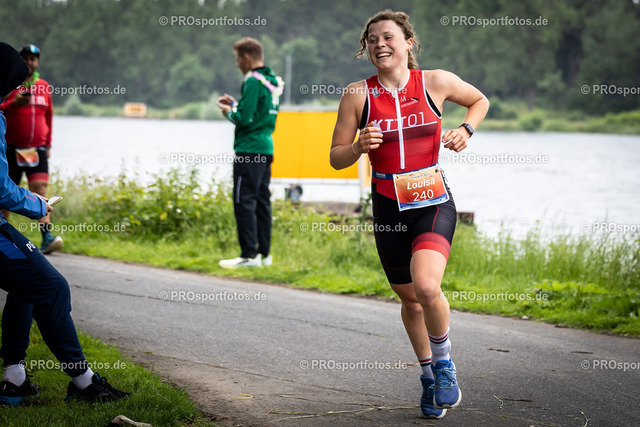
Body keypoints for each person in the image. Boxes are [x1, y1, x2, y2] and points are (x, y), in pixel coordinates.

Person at [330, 11, 489, 419]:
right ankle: (428, 376)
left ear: (408, 43)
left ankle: (445, 364)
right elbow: (336, 157)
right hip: (387, 206)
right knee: (411, 302)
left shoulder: (435, 82)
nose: (379, 44)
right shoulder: (357, 95)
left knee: (428, 288)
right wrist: (358, 146)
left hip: (432, 200)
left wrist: (465, 130)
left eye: (388, 37)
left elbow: (479, 100)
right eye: (371, 39)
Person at [0, 42, 129, 406]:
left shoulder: (39, 91)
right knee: (52, 287)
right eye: (13, 80)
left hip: (34, 153)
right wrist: (35, 204)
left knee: (28, 285)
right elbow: (1, 188)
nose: (16, 86)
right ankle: (84, 382)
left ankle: (14, 379)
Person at [217, 37, 283, 269]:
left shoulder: (252, 80)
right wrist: (237, 104)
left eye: (237, 59)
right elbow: (257, 113)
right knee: (262, 202)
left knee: (243, 200)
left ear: (246, 58)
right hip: (265, 148)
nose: (237, 64)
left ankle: (248, 255)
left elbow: (244, 119)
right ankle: (264, 255)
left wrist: (228, 112)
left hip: (248, 150)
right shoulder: (271, 81)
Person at [0, 44, 63, 254]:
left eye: (33, 59)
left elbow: (49, 117)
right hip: (12, 148)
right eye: (25, 58)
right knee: (5, 194)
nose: (29, 62)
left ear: (38, 62)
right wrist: (14, 104)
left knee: (41, 189)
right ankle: (4, 237)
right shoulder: (10, 86)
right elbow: (1, 108)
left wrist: (48, 144)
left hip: (37, 148)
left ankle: (46, 237)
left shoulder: (44, 87)